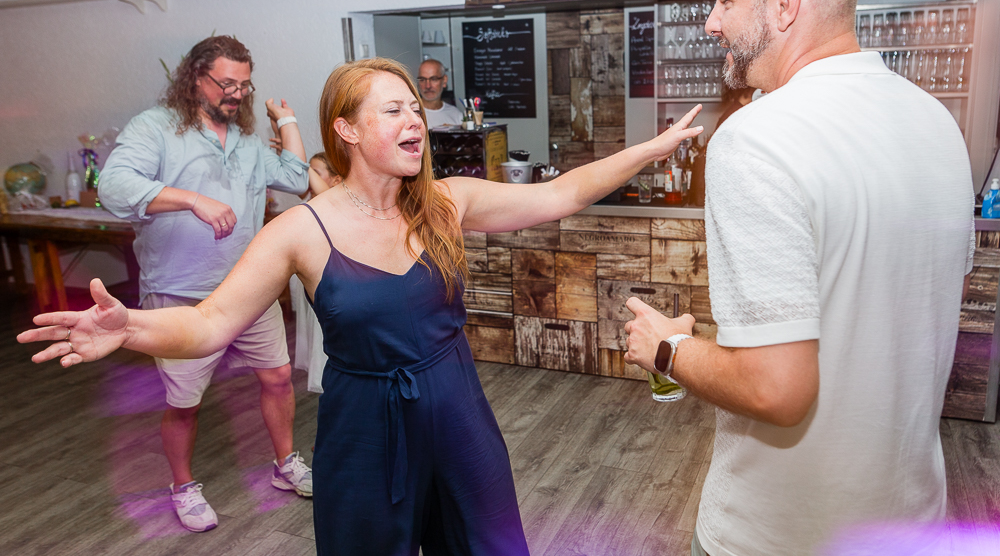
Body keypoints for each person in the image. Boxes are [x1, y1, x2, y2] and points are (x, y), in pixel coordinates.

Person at [21, 57, 702, 555]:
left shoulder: (445, 202)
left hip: (456, 407)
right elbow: (208, 322)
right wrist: (130, 325)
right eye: (394, 109)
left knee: (491, 543)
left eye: (416, 107)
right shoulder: (299, 230)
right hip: (363, 427)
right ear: (345, 129)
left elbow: (562, 195)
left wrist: (653, 147)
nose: (416, 120)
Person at [622, 0, 975, 556]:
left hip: (782, 535)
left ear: (783, 4)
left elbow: (776, 387)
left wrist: (667, 347)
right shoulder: (936, 123)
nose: (709, 22)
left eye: (725, 0)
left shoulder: (760, 138)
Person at [96, 35, 313, 533]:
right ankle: (182, 487)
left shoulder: (247, 141)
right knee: (184, 402)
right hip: (180, 296)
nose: (236, 94)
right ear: (195, 78)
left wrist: (287, 121)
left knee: (278, 378)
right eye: (225, 83)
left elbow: (297, 177)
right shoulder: (155, 128)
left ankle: (285, 465)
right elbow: (113, 186)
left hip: (249, 289)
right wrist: (192, 200)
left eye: (244, 85)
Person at [291, 152, 342, 393]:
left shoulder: (333, 202)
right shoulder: (306, 206)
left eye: (316, 171)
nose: (308, 174)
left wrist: (301, 164)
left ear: (335, 180)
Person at [417, 59, 463, 127]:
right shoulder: (412, 115)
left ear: (444, 81)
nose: (428, 86)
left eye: (433, 79)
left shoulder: (456, 115)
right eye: (422, 80)